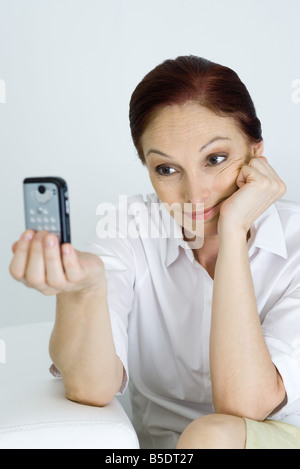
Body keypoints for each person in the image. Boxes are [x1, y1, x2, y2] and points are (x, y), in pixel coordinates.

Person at [9, 55, 300, 449]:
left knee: (210, 435)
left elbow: (243, 405)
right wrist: (85, 290)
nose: (194, 194)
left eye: (215, 160)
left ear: (256, 153)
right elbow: (91, 389)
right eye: (166, 169)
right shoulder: (129, 225)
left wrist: (232, 232)